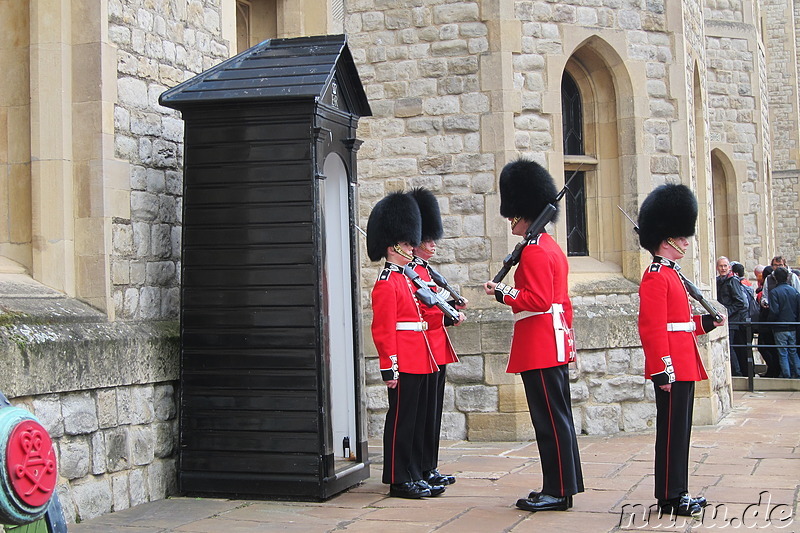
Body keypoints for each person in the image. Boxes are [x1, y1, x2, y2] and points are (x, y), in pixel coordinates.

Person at [483, 159, 583, 513]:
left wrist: (502, 292)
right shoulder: (547, 246)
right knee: (557, 418)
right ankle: (562, 486)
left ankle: (556, 490)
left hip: (540, 343)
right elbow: (562, 304)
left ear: (522, 213)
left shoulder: (537, 251)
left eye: (513, 216)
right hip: (550, 341)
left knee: (549, 421)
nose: (511, 222)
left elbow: (539, 301)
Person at [636, 183, 724, 517]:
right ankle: (671, 496)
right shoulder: (656, 275)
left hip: (684, 360)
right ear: (668, 237)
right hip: (671, 366)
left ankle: (679, 490)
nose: (686, 241)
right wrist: (662, 370)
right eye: (682, 236)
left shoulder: (671, 273)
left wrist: (706, 323)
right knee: (672, 434)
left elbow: (680, 323)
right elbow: (652, 328)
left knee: (681, 432)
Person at [366, 192, 445, 499]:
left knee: (413, 422)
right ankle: (399, 478)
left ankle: (412, 472)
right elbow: (383, 331)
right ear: (394, 245)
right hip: (405, 360)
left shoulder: (404, 278)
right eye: (409, 243)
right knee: (401, 421)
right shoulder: (387, 281)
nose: (413, 247)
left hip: (419, 356)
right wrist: (390, 366)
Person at [406, 187, 466, 488]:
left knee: (432, 413)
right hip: (423, 345)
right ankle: (417, 469)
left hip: (436, 346)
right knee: (420, 414)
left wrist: (452, 308)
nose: (433, 244)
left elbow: (435, 302)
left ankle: (428, 466)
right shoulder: (409, 273)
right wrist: (445, 313)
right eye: (428, 239)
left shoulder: (426, 271)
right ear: (414, 242)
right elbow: (418, 309)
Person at [716, 257, 748, 376]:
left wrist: (726, 312)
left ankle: (737, 373)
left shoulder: (732, 281)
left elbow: (740, 302)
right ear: (717, 267)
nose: (723, 268)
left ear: (729, 267)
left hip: (732, 320)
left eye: (725, 266)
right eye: (721, 266)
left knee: (731, 347)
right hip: (723, 319)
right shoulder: (718, 280)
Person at [766, 266, 800, 378]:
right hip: (792, 325)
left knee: (783, 352)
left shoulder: (774, 292)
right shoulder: (794, 291)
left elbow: (774, 311)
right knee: (793, 351)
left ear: (775, 278)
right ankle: (798, 373)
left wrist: (770, 322)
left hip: (780, 326)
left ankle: (786, 375)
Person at [756, 265, 781, 377]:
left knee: (766, 347)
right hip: (770, 324)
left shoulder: (768, 292)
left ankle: (773, 370)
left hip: (767, 324)